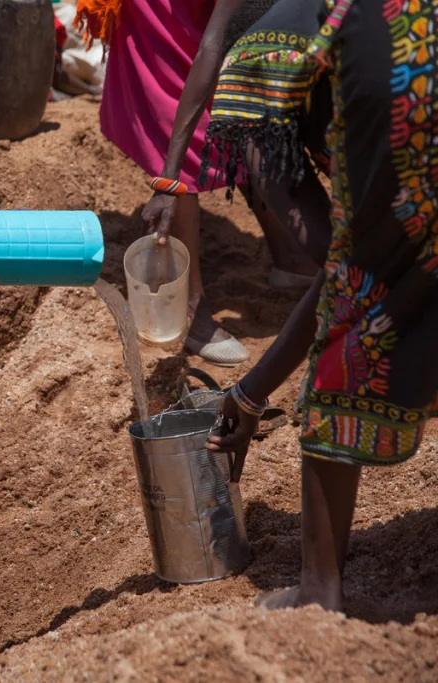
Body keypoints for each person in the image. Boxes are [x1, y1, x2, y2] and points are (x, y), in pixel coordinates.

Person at [205, 0, 438, 610]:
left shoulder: (250, 73)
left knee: (356, 330)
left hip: (412, 82)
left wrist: (251, 392)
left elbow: (344, 265)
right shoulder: (327, 25)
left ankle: (318, 592)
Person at [75, 0, 325, 366]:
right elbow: (212, 45)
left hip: (213, 14)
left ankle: (290, 257)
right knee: (179, 113)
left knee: (241, 109)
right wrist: (169, 178)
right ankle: (191, 308)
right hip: (164, 12)